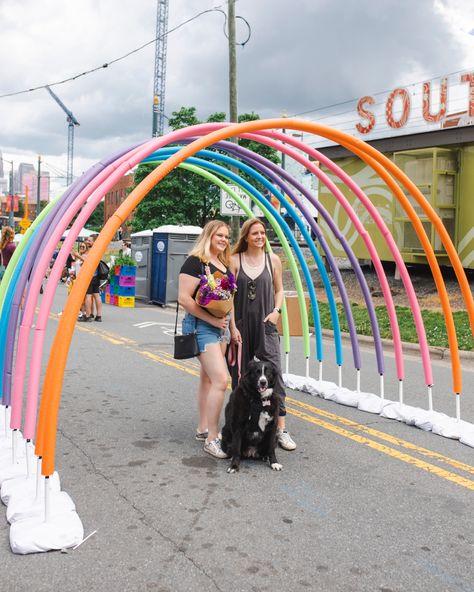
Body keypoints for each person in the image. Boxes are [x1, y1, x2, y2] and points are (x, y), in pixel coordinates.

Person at [229, 218, 296, 451]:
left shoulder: (273, 260)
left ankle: (280, 429)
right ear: (246, 236)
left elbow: (279, 291)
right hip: (242, 325)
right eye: (255, 233)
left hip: (266, 325)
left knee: (274, 375)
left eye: (263, 233)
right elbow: (228, 296)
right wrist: (232, 326)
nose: (260, 236)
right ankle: (242, 425)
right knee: (240, 377)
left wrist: (277, 311)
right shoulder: (235, 260)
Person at [178, 220, 232, 459]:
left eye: (227, 236)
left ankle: (203, 428)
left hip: (221, 328)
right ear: (208, 236)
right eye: (219, 235)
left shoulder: (224, 264)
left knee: (208, 380)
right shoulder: (195, 262)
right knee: (221, 380)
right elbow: (184, 299)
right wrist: (212, 321)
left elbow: (229, 300)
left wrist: (232, 328)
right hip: (202, 327)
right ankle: (212, 438)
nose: (223, 239)